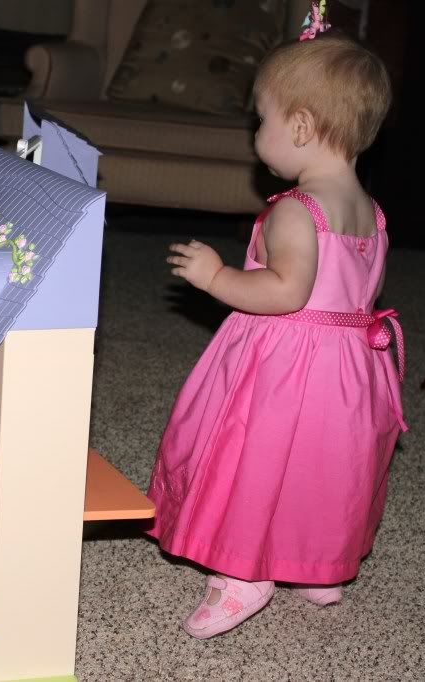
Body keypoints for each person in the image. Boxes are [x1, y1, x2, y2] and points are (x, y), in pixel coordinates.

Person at [146, 29, 406, 639]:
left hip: (286, 365)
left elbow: (286, 291)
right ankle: (316, 565)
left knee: (255, 462)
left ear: (301, 126)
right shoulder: (370, 210)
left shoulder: (296, 209)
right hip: (349, 367)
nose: (255, 135)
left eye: (261, 120)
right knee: (323, 465)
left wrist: (216, 277)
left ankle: (244, 575)